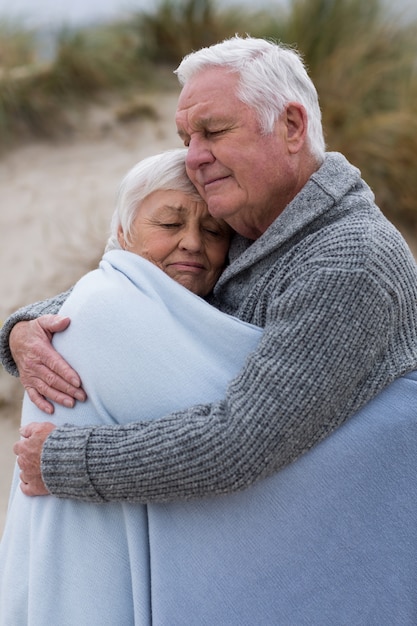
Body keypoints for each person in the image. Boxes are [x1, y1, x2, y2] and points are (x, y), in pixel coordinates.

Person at [2, 35, 417, 621]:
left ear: (292, 127)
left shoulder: (348, 259)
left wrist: (63, 463)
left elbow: (242, 443)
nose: (195, 156)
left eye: (214, 132)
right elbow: (143, 286)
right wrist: (25, 329)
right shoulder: (254, 224)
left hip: (325, 576)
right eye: (186, 139)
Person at [0, 148, 263, 624]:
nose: (191, 243)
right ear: (122, 232)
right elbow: (240, 431)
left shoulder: (196, 312)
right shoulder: (103, 309)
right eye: (169, 224)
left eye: (213, 232)